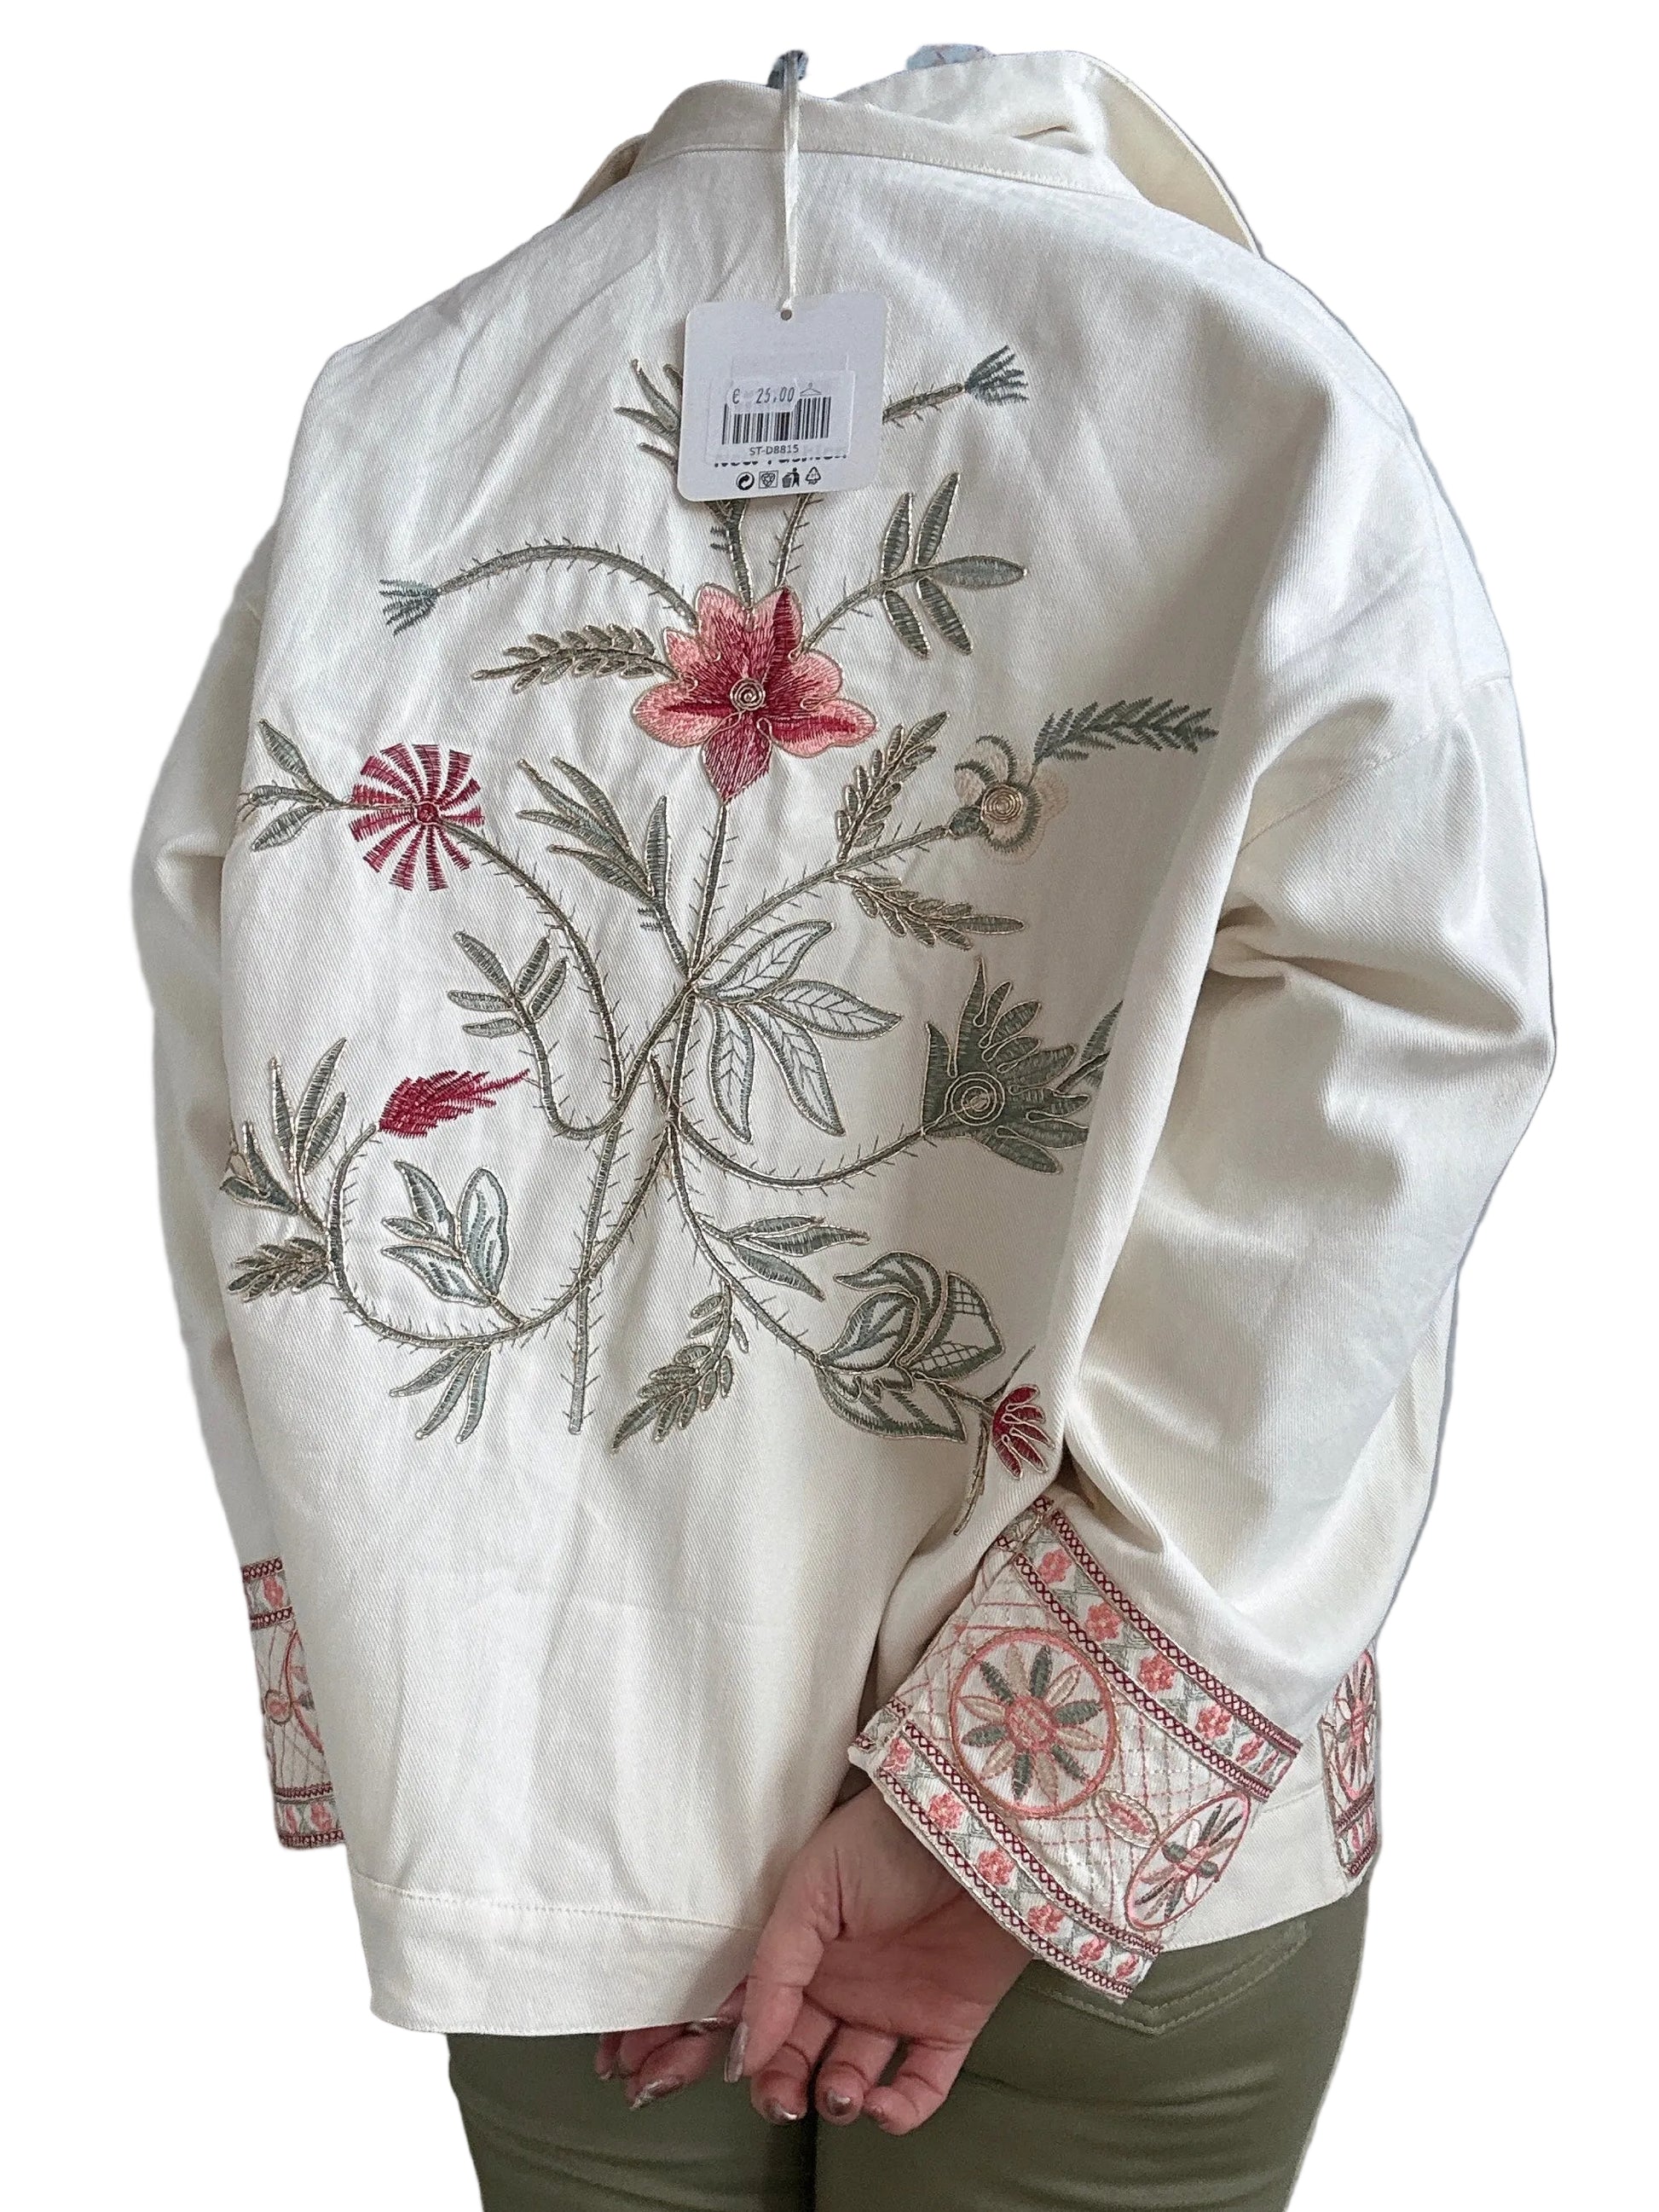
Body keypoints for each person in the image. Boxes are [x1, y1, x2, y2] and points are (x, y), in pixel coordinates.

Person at [133, 44, 1556, 2211]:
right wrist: (1009, 1806)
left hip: (564, 1791)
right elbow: (1397, 1059)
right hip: (1107, 1845)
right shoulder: (1257, 401)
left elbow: (247, 1090)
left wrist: (472, 1736)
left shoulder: (406, 422)